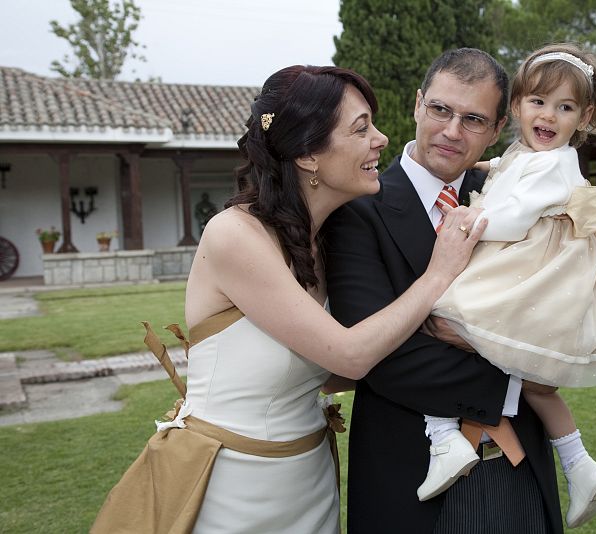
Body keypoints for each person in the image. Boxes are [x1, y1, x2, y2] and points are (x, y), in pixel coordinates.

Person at [91, 65, 486, 534]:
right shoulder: (234, 235)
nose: (381, 140)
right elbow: (350, 355)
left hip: (310, 483)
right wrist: (439, 274)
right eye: (361, 129)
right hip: (231, 486)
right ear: (307, 155)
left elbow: (338, 371)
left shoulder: (327, 239)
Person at [324, 48, 563, 534]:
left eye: (473, 119)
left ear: (497, 129)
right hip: (411, 480)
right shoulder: (358, 210)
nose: (452, 131)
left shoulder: (515, 198)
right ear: (418, 105)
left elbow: (552, 316)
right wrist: (523, 381)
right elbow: (382, 357)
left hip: (520, 466)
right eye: (440, 110)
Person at [423, 43, 596, 528]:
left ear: (585, 116)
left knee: (437, 312)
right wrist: (486, 169)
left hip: (528, 271)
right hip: (530, 270)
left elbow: (512, 218)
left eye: (564, 107)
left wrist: (466, 220)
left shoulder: (553, 163)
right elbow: (511, 174)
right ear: (517, 105)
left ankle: (443, 436)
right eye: (538, 102)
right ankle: (578, 462)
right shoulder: (534, 156)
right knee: (534, 382)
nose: (549, 115)